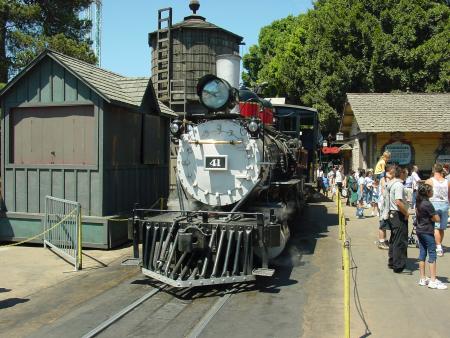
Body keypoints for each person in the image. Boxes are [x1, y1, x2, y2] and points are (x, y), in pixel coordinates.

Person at [415, 183, 447, 289]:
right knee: (432, 254)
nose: (433, 192)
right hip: (427, 230)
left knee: (422, 253)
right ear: (427, 193)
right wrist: (438, 214)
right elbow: (436, 219)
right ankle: (433, 280)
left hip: (420, 230)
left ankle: (422, 278)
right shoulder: (427, 204)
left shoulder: (418, 202)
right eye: (431, 190)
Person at [425, 163, 450, 257]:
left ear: (433, 170)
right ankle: (438, 245)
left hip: (433, 204)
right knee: (442, 227)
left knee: (435, 227)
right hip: (445, 204)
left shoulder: (429, 181)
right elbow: (449, 195)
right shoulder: (447, 182)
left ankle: (438, 247)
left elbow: (424, 194)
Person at [387, 166, 409, 273]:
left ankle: (392, 261)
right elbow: (398, 202)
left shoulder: (391, 183)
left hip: (392, 213)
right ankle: (398, 264)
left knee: (394, 239)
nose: (406, 175)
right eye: (405, 173)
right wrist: (406, 213)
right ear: (401, 174)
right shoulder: (399, 185)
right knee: (399, 240)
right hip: (398, 214)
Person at [376, 164, 396, 250]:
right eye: (393, 169)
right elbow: (385, 191)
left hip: (387, 205)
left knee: (386, 224)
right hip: (384, 205)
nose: (394, 171)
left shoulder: (389, 178)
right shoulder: (384, 179)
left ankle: (384, 240)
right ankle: (381, 242)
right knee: (383, 224)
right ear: (389, 170)